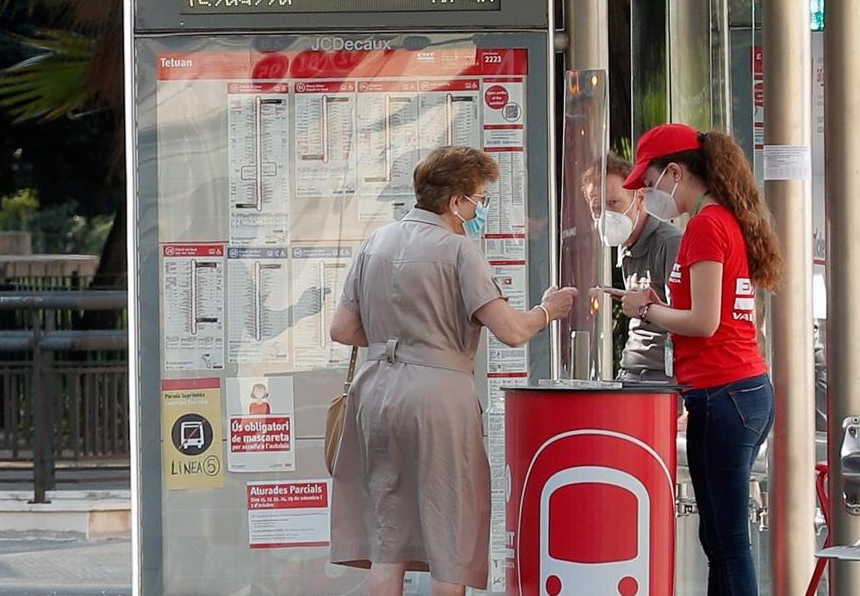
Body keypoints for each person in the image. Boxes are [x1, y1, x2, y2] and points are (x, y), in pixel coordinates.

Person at [328, 146, 577, 596]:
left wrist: (396, 340)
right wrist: (547, 310)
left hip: (375, 391)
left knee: (388, 539)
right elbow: (512, 332)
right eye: (480, 198)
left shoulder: (377, 242)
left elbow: (342, 329)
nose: (481, 207)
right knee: (451, 533)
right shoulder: (459, 250)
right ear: (456, 200)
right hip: (438, 395)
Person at [602, 123, 781, 596]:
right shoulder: (723, 219)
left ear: (675, 173)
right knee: (720, 538)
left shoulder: (705, 225)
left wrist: (645, 308)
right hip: (738, 392)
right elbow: (723, 312)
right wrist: (660, 302)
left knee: (727, 542)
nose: (648, 194)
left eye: (650, 182)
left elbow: (705, 322)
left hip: (725, 393)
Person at [582, 153, 683, 383]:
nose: (606, 216)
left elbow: (690, 319)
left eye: (613, 203)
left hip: (664, 376)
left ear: (639, 198)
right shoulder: (627, 244)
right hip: (633, 371)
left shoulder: (668, 243)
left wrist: (644, 308)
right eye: (597, 208)